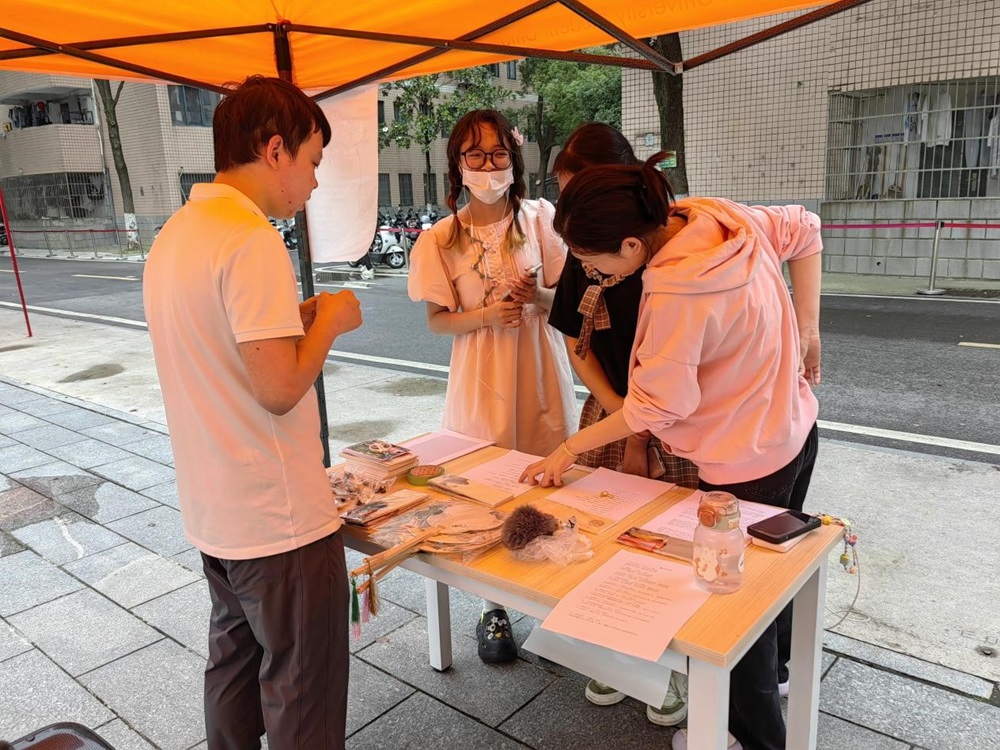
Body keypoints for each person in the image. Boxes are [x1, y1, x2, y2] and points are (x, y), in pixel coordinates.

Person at [522, 152, 822, 750]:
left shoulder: (677, 293)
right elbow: (806, 227)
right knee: (770, 581)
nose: (590, 270)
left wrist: (569, 449)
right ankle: (781, 678)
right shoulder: (714, 217)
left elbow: (656, 407)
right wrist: (810, 327)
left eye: (592, 259)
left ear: (632, 245)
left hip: (742, 465)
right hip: (795, 430)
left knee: (731, 615)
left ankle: (754, 736)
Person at [143, 76, 363, 750]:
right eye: (313, 161)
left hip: (216, 511)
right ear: (275, 150)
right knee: (303, 691)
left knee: (233, 668)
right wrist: (330, 321)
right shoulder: (249, 238)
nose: (315, 182)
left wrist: (296, 318)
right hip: (280, 521)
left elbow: (224, 345)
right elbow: (278, 388)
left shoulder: (177, 234)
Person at [408, 109, 576, 664]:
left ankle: (553, 597)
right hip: (480, 377)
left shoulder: (541, 219)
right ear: (458, 164)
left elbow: (566, 297)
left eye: (498, 153)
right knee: (485, 488)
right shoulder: (441, 238)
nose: (488, 166)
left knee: (549, 477)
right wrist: (485, 316)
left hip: (539, 367)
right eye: (475, 155)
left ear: (514, 159)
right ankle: (491, 606)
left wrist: (536, 299)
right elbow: (437, 321)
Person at [547, 122, 699, 727]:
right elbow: (575, 339)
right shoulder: (583, 245)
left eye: (583, 192)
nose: (576, 216)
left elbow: (668, 386)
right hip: (610, 410)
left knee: (667, 545)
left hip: (676, 424)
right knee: (601, 536)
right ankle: (613, 651)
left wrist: (641, 431)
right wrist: (617, 411)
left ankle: (671, 669)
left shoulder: (672, 257)